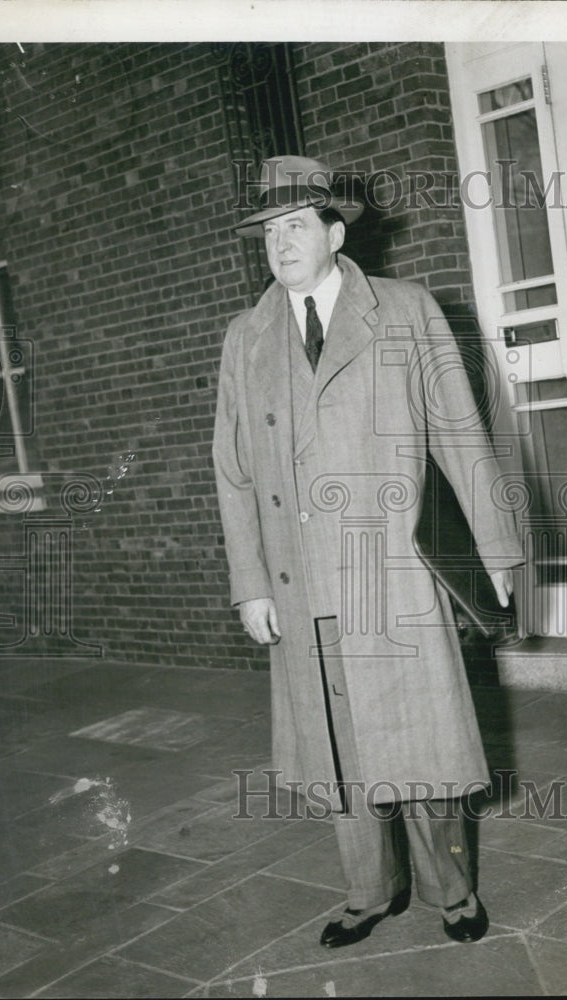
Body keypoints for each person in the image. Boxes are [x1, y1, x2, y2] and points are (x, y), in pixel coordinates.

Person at [213, 155, 523, 948]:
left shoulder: (406, 310)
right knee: (338, 748)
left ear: (333, 229)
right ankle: (366, 891)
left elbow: (459, 430)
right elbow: (233, 470)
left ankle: (449, 889)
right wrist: (250, 584)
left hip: (393, 570)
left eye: (292, 226)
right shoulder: (246, 338)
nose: (277, 244)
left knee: (420, 743)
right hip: (300, 573)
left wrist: (496, 548)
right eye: (266, 232)